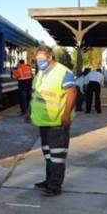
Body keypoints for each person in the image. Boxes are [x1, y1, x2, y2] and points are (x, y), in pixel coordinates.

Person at [24, 46, 77, 197]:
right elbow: (35, 95)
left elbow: (72, 92)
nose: (39, 62)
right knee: (48, 154)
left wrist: (66, 114)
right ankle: (48, 180)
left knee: (57, 156)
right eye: (37, 59)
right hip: (43, 122)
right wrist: (29, 111)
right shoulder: (41, 73)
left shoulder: (63, 72)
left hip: (57, 122)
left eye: (41, 59)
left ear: (50, 57)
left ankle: (55, 186)